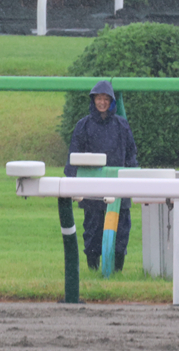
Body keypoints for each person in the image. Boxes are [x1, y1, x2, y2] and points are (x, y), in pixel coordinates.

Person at [64, 80, 138, 272]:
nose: (102, 103)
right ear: (93, 100)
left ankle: (117, 270)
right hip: (91, 187)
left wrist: (134, 183)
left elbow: (131, 155)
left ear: (111, 101)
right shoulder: (83, 126)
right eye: (99, 99)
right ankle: (93, 269)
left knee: (121, 229)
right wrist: (71, 183)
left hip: (119, 186)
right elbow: (73, 156)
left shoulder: (122, 126)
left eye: (106, 99)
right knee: (93, 229)